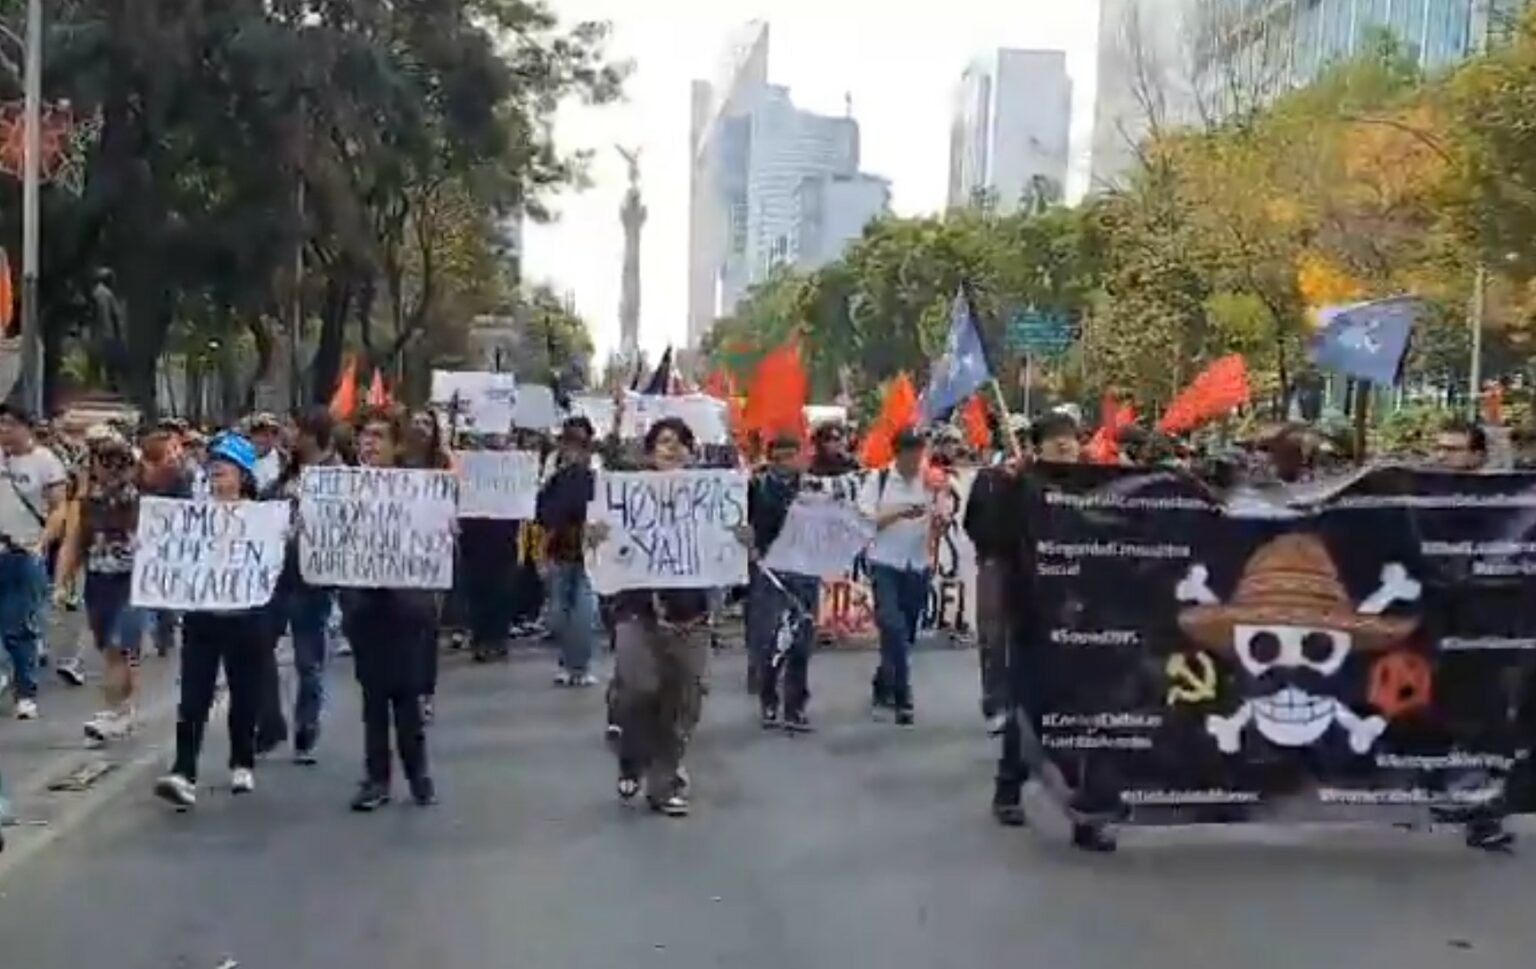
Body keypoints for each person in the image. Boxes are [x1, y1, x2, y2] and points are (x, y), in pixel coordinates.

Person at [592, 416, 747, 817]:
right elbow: (598, 543)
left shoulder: (709, 498)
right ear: (649, 452)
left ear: (691, 451)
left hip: (690, 614)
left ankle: (664, 783)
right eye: (663, 441)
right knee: (639, 688)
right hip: (637, 611)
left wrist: (744, 539)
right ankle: (631, 753)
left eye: (680, 442)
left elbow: (733, 548)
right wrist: (595, 538)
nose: (671, 448)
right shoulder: (625, 495)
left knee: (684, 699)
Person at [992, 412, 1117, 853]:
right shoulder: (1016, 488)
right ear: (1037, 446)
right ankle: (1009, 787)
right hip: (1034, 619)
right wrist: (1003, 485)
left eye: (1070, 439)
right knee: (1030, 710)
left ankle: (1088, 818)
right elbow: (989, 534)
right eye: (1055, 440)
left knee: (1085, 719)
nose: (1065, 446)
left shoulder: (1098, 486)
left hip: (1088, 623)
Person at [153, 433, 271, 809]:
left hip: (246, 619)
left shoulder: (262, 517)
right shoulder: (192, 515)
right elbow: (170, 551)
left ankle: (242, 760)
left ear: (243, 474)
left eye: (226, 466)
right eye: (214, 467)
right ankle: (184, 771)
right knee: (193, 697)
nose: (218, 472)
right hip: (202, 619)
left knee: (244, 692)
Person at [345, 409, 440, 812]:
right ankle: (376, 779)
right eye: (364, 437)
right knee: (372, 698)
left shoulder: (418, 488)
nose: (370, 444)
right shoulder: (343, 489)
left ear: (396, 445)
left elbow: (438, 532)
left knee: (404, 696)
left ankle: (418, 775)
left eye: (379, 437)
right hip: (364, 605)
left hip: (406, 605)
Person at [53, 429, 147, 744]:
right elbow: (75, 543)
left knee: (121, 645)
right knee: (112, 649)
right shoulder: (87, 502)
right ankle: (125, 709)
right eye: (105, 462)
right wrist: (62, 583)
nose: (112, 469)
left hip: (134, 582)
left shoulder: (145, 500)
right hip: (99, 580)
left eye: (119, 462)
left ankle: (114, 711)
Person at [264, 407, 341, 764]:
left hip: (313, 584)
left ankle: (306, 729)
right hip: (276, 579)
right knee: (259, 653)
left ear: (315, 435)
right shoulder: (286, 476)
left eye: (297, 430)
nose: (291, 436)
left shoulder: (339, 477)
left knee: (308, 662)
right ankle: (270, 723)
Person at [858, 427, 937, 726]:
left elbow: (940, 519)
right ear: (898, 453)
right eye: (912, 455)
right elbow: (864, 520)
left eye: (921, 454)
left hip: (917, 565)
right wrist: (900, 512)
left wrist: (939, 516)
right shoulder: (878, 480)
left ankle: (883, 683)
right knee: (891, 624)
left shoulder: (930, 481)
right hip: (885, 563)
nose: (917, 461)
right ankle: (904, 696)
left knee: (906, 634)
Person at [0, 403, 69, 720]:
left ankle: (26, 691)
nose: (4, 431)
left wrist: (43, 543)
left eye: (9, 424)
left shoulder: (45, 462)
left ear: (26, 427)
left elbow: (58, 507)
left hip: (24, 552)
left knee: (19, 624)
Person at [748, 432, 820, 731]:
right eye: (779, 458)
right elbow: (743, 521)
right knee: (771, 640)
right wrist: (750, 548)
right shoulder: (756, 487)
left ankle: (795, 706)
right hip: (770, 569)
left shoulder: (812, 489)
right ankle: (768, 699)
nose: (786, 463)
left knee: (802, 642)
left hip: (804, 569)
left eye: (791, 456)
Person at [965, 425, 1023, 735]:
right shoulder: (988, 480)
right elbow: (972, 522)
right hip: (997, 564)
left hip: (1040, 568)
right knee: (995, 637)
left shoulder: (1045, 480)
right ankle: (997, 703)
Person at [538, 416, 599, 685]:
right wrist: (541, 555)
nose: (575, 449)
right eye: (570, 442)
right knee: (558, 615)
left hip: (590, 557)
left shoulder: (599, 481)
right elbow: (543, 520)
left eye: (581, 443)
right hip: (560, 555)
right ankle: (565, 661)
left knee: (585, 612)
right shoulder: (554, 481)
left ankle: (580, 667)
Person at [247, 413, 286, 494]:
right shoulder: (242, 459)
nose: (261, 439)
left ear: (275, 437)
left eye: (266, 435)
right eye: (257, 434)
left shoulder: (284, 460)